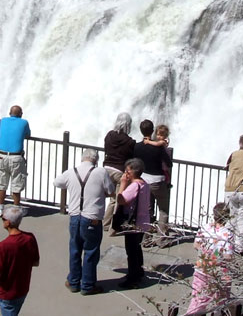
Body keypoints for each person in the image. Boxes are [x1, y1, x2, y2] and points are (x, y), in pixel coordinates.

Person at [54, 149, 115, 294]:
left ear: (83, 159)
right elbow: (111, 191)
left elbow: (57, 183)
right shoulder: (101, 172)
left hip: (75, 216)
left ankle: (74, 282)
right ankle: (87, 285)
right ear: (96, 160)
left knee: (75, 250)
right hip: (92, 218)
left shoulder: (71, 172)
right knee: (91, 251)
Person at [185, 202, 236, 316]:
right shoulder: (228, 234)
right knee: (221, 302)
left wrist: (206, 250)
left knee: (198, 301)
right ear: (227, 217)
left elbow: (196, 245)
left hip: (202, 269)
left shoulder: (205, 228)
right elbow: (228, 256)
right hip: (220, 272)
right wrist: (217, 253)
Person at [115, 157, 153, 289]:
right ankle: (139, 271)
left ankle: (133, 278)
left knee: (131, 251)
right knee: (137, 248)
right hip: (143, 222)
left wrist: (122, 185)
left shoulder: (134, 186)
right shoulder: (145, 184)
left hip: (133, 223)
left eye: (127, 171)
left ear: (132, 172)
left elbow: (121, 200)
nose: (126, 173)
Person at [134, 119, 174, 230]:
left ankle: (146, 236)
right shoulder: (158, 148)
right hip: (158, 182)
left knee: (148, 209)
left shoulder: (137, 147)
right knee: (163, 210)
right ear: (152, 131)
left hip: (144, 181)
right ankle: (161, 239)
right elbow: (169, 164)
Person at [0, 104, 31, 214]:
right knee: (17, 183)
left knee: (1, 183)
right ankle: (16, 208)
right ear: (20, 114)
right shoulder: (24, 122)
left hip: (1, 156)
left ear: (10, 113)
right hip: (16, 157)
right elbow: (28, 134)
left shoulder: (3, 121)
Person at [102, 112, 134, 229]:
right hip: (119, 171)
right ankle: (112, 225)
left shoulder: (109, 135)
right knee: (116, 199)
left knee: (104, 195)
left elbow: (106, 149)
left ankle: (103, 222)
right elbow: (130, 157)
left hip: (106, 169)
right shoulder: (130, 141)